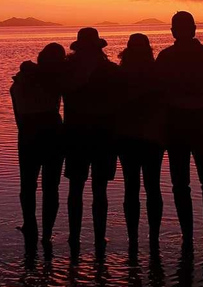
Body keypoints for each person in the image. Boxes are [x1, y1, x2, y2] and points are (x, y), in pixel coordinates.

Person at [156, 11, 203, 248]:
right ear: (194, 29)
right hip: (196, 123)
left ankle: (191, 236)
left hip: (186, 123)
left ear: (174, 31)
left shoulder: (167, 57)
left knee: (185, 184)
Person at [62, 27, 120, 256]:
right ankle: (94, 237)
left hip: (84, 136)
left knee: (81, 188)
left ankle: (79, 236)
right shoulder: (108, 70)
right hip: (98, 136)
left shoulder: (69, 70)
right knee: (95, 189)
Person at [10, 43, 66, 251]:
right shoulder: (57, 80)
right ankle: (47, 232)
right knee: (50, 186)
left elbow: (17, 110)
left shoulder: (22, 79)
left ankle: (30, 225)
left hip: (28, 133)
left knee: (28, 184)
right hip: (52, 132)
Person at [116, 33, 166, 251]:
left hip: (130, 137)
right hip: (150, 137)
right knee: (151, 187)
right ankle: (151, 238)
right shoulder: (157, 73)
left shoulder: (119, 74)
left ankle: (134, 239)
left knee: (132, 187)